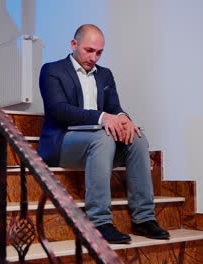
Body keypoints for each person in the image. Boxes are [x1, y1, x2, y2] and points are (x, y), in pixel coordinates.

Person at [37, 24, 169, 244]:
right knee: (103, 138)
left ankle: (144, 219)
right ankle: (99, 221)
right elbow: (59, 110)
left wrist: (123, 118)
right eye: (89, 50)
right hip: (62, 143)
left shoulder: (105, 75)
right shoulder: (52, 70)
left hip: (99, 145)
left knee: (137, 138)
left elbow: (114, 106)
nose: (94, 57)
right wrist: (102, 117)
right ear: (74, 44)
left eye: (99, 52)